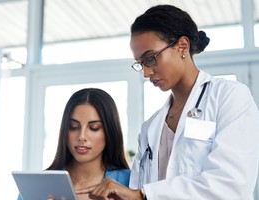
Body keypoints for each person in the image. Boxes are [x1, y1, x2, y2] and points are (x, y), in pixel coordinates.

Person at [77, 4, 259, 200]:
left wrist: (144, 194)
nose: (146, 72)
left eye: (151, 58)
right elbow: (134, 194)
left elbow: (231, 184)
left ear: (182, 46)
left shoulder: (229, 97)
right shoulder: (151, 127)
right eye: (140, 63)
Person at [18, 88, 130, 200]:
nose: (81, 136)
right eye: (73, 126)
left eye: (94, 128)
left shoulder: (129, 182)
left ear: (110, 131)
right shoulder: (36, 186)